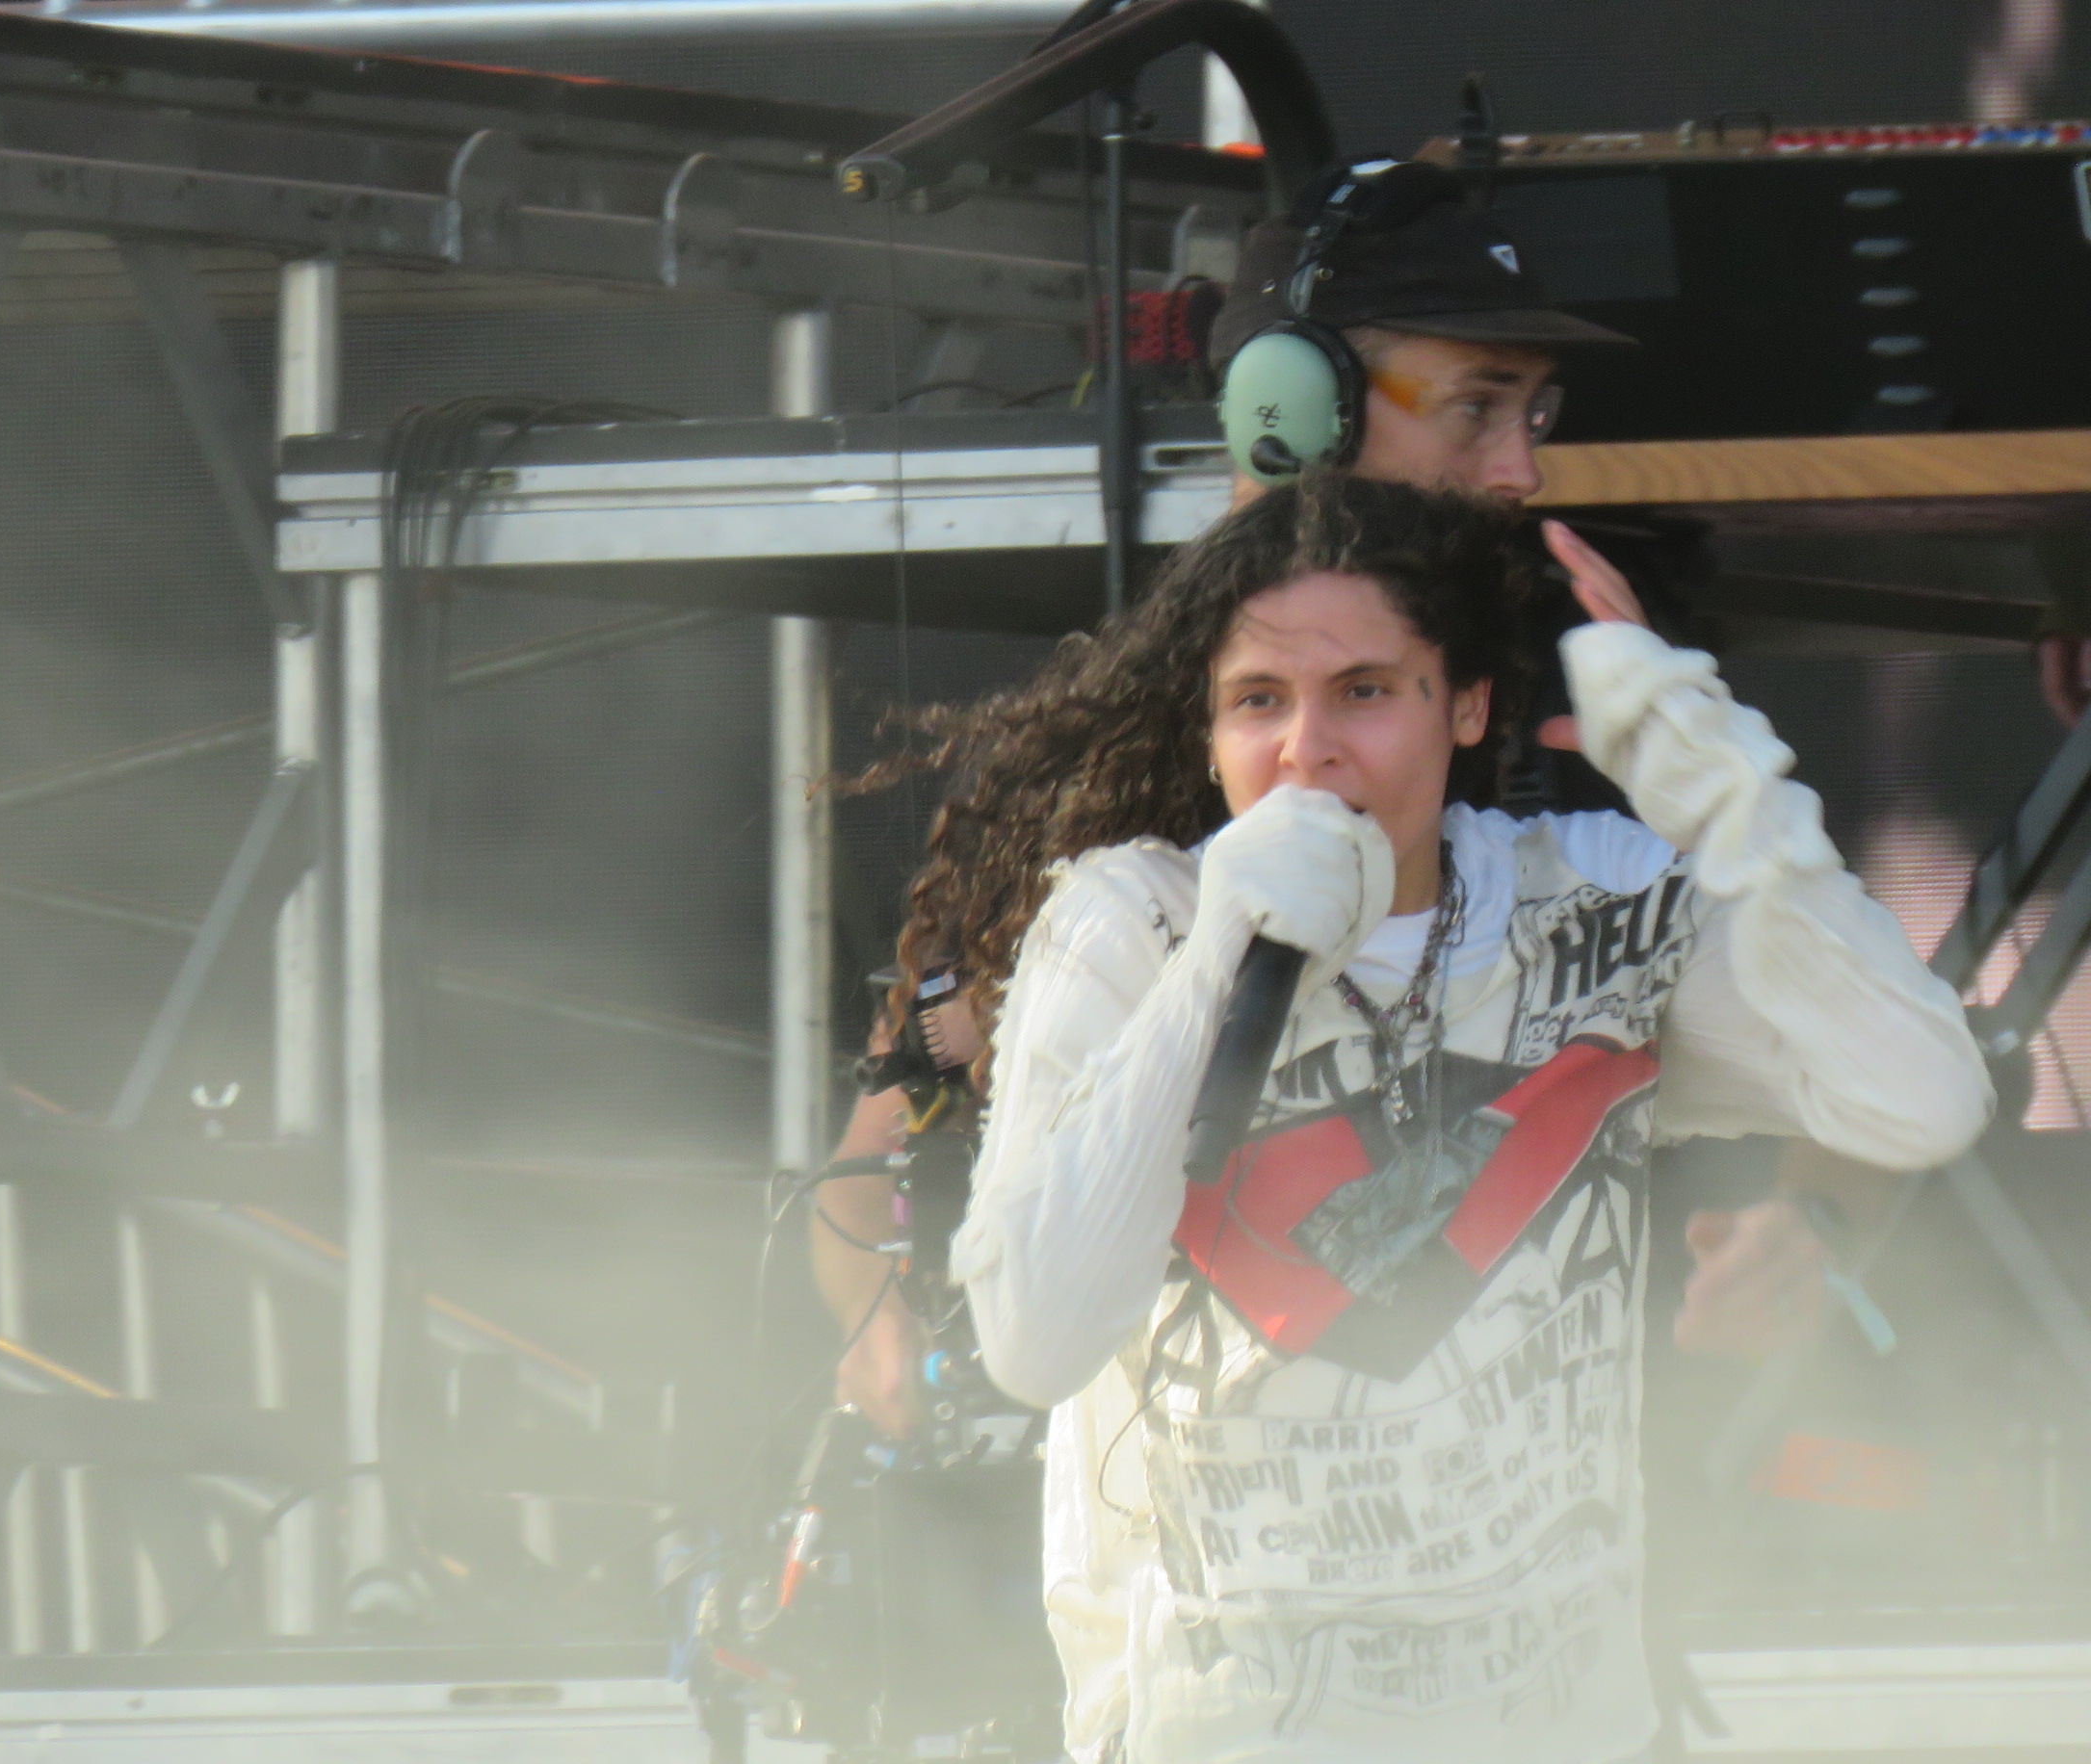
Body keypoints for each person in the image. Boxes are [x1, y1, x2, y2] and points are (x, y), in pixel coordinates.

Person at [946, 473, 1986, 1761]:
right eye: (1259, 701)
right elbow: (1035, 1341)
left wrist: (1724, 789)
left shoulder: (1593, 908)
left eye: (1365, 692)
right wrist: (1217, 955)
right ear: (1208, 730)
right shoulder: (1128, 924)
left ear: (1469, 706)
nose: (1308, 750)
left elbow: (1921, 1096)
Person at [812, 163, 1854, 1434]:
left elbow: (1840, 1008)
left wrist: (1812, 1216)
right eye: (1475, 408)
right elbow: (883, 1150)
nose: (1521, 469)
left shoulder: (1602, 688)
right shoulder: (1115, 780)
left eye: (1535, 413)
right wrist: (886, 1328)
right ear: (1294, 412)